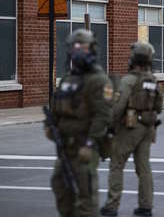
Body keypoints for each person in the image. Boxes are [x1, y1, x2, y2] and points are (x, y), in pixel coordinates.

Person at [45, 29, 113, 217]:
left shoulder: (99, 80)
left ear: (91, 49)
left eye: (82, 47)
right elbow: (56, 108)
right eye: (75, 47)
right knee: (60, 188)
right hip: (65, 147)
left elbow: (103, 116)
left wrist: (91, 143)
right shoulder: (67, 79)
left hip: (85, 148)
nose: (78, 50)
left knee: (86, 197)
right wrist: (50, 126)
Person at [100, 42, 163, 217]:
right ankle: (146, 206)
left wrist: (110, 127)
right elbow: (159, 106)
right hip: (148, 128)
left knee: (117, 164)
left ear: (134, 58)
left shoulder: (128, 81)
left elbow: (118, 107)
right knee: (143, 168)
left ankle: (112, 206)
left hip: (130, 128)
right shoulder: (153, 81)